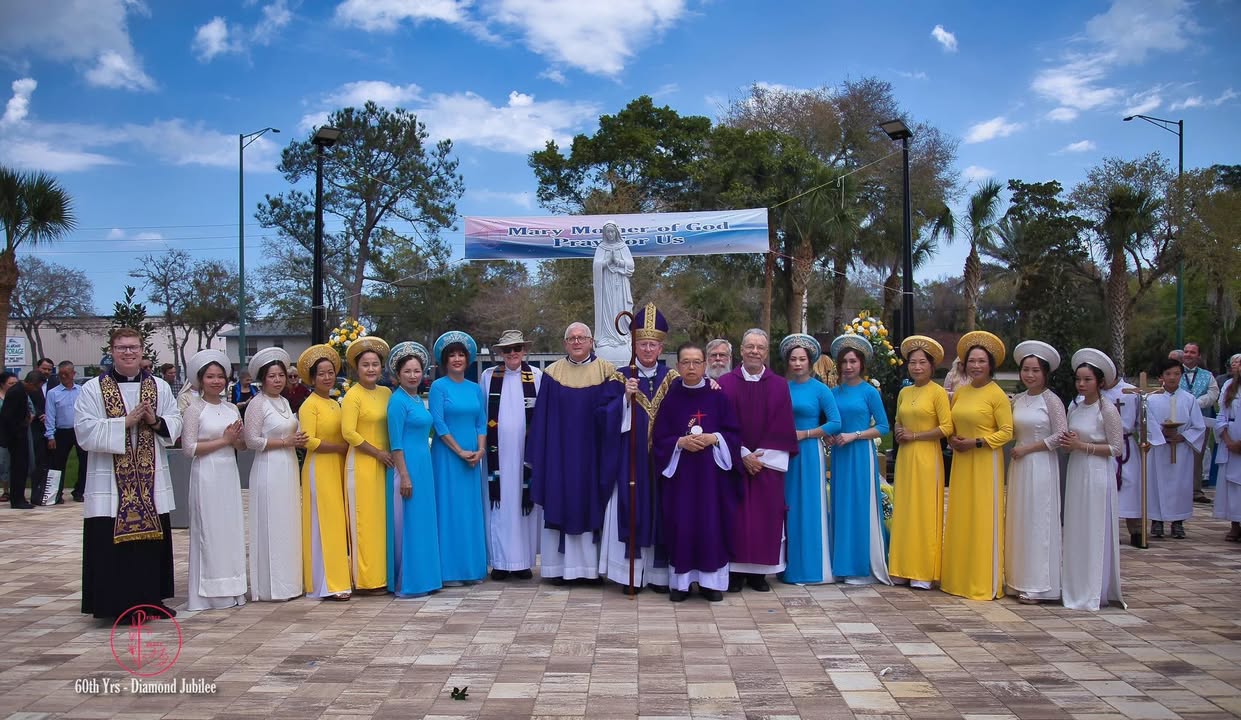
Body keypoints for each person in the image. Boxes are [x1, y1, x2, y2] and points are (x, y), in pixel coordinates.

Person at [76, 328, 182, 620]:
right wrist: (124, 422)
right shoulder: (93, 389)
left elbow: (175, 422)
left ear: (141, 350)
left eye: (133, 347)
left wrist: (154, 420)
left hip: (150, 481)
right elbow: (84, 430)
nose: (128, 352)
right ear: (112, 351)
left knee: (148, 548)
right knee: (111, 547)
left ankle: (150, 601)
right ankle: (114, 605)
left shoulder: (159, 387)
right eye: (122, 347)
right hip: (110, 483)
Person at [526, 322, 622, 585]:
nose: (577, 342)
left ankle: (590, 570)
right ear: (565, 343)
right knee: (559, 499)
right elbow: (542, 418)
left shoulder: (607, 371)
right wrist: (539, 454)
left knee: (592, 503)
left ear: (591, 342)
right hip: (559, 455)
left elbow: (615, 411)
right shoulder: (553, 373)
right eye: (572, 338)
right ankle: (558, 569)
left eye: (582, 337)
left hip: (593, 453)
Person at [651, 342, 742, 602]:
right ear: (678, 366)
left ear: (704, 365)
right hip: (681, 479)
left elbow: (734, 435)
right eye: (686, 362)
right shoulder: (670, 399)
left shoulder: (718, 397)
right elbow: (659, 439)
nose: (691, 367)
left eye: (696, 362)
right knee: (682, 524)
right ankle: (681, 584)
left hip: (712, 479)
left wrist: (715, 438)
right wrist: (679, 442)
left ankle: (710, 584)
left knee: (710, 524)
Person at [599, 304, 679, 593]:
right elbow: (602, 416)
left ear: (661, 348)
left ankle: (658, 576)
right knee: (630, 508)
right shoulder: (620, 377)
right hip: (629, 459)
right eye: (642, 344)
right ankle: (629, 576)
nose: (647, 349)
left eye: (652, 345)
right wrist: (624, 398)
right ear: (634, 346)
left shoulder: (673, 379)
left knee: (662, 511)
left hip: (663, 459)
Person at [717, 328, 798, 593]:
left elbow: (782, 425)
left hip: (767, 465)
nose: (754, 351)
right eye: (750, 346)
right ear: (741, 350)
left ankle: (759, 574)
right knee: (735, 517)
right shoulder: (725, 383)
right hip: (734, 463)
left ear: (766, 352)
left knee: (766, 517)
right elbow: (721, 423)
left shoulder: (779, 385)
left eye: (760, 347)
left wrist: (759, 458)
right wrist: (741, 454)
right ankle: (735, 572)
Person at [941, 331, 1013, 601]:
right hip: (961, 461)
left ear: (990, 365)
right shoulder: (960, 393)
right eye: (972, 361)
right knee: (961, 516)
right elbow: (951, 424)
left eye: (982, 361)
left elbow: (1007, 432)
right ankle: (958, 579)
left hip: (985, 461)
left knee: (982, 518)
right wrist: (952, 439)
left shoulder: (997, 395)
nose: (976, 366)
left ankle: (983, 580)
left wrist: (978, 442)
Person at [181, 349, 247, 612]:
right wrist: (224, 440)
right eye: (210, 376)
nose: (216, 381)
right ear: (200, 380)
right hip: (206, 474)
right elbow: (189, 448)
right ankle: (207, 594)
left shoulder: (231, 408)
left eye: (220, 376)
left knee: (229, 529)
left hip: (228, 472)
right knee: (209, 530)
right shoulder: (194, 410)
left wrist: (239, 439)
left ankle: (232, 589)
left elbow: (241, 445)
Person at [1060, 349, 1126, 611]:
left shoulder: (1106, 410)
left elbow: (1116, 448)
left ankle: (1093, 588)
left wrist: (1083, 446)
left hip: (1097, 471)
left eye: (1087, 379)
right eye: (1078, 379)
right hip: (1076, 469)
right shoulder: (1075, 407)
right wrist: (1070, 443)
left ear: (1100, 382)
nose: (1081, 384)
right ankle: (1074, 585)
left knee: (1093, 526)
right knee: (1076, 526)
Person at [827, 334, 892, 586]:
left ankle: (862, 566)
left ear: (861, 364)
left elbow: (883, 427)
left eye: (853, 361)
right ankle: (842, 565)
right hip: (840, 454)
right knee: (841, 506)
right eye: (844, 362)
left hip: (861, 454)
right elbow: (830, 423)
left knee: (861, 505)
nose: (848, 366)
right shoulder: (833, 393)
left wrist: (854, 435)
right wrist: (829, 436)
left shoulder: (869, 392)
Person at [1006, 341, 1067, 605]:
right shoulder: (1018, 400)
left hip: (1040, 463)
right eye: (1025, 370)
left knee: (1038, 519)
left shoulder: (1052, 400)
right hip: (1019, 465)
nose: (1029, 375)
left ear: (1045, 373)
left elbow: (1061, 435)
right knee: (1019, 519)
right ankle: (1016, 579)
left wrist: (1029, 448)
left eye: (1035, 370)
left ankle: (1039, 584)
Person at [890, 336, 953, 591]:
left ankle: (923, 571)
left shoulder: (938, 393)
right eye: (913, 363)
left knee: (924, 511)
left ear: (932, 365)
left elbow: (947, 427)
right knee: (904, 509)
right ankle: (901, 567)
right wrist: (898, 430)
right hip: (906, 457)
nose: (917, 367)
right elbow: (898, 419)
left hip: (927, 456)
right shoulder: (904, 392)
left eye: (922, 363)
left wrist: (915, 435)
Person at [244, 348, 307, 602]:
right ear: (263, 378)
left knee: (288, 521)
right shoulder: (257, 404)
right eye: (272, 376)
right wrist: (284, 442)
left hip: (288, 466)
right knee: (272, 521)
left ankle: (290, 583)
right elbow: (251, 440)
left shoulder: (283, 402)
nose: (278, 380)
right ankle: (272, 586)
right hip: (269, 468)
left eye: (281, 375)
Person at [480, 330, 543, 582]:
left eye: (517, 348)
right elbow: (481, 414)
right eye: (507, 350)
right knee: (500, 507)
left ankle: (522, 563)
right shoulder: (488, 377)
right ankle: (500, 563)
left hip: (525, 454)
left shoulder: (536, 376)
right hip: (497, 454)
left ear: (524, 350)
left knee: (523, 506)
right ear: (500, 353)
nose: (513, 353)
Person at [780, 334, 841, 585]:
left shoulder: (820, 390)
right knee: (789, 505)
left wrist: (805, 434)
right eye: (793, 359)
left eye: (802, 359)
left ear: (810, 361)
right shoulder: (782, 387)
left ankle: (814, 568)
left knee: (810, 504)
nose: (797, 363)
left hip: (810, 452)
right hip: (786, 453)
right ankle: (789, 567)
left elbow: (835, 423)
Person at [429, 331, 489, 585]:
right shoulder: (438, 387)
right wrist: (459, 451)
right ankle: (449, 571)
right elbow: (438, 423)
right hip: (447, 457)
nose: (456, 359)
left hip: (472, 459)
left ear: (468, 359)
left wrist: (480, 450)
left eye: (461, 355)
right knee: (449, 508)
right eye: (452, 355)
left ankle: (471, 569)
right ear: (445, 360)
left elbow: (481, 422)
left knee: (469, 510)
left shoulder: (475, 389)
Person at [386, 341, 443, 597]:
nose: (413, 375)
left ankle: (426, 578)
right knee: (410, 524)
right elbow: (396, 443)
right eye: (407, 371)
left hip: (424, 465)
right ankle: (410, 581)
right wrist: (404, 475)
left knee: (424, 522)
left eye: (417, 371)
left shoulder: (418, 400)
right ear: (397, 374)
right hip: (407, 467)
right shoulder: (397, 402)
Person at [297, 345, 353, 601]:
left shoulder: (335, 404)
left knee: (337, 523)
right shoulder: (309, 406)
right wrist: (339, 448)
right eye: (321, 374)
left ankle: (340, 577)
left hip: (337, 466)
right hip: (319, 467)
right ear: (312, 378)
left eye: (331, 372)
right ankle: (326, 583)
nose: (327, 377)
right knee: (323, 523)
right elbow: (308, 441)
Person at [341, 336, 393, 593]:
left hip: (385, 464)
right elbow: (349, 433)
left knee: (382, 521)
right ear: (356, 368)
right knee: (363, 521)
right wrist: (376, 453)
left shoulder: (386, 393)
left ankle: (383, 575)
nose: (371, 369)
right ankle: (364, 580)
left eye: (375, 364)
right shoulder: (353, 395)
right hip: (362, 464)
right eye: (365, 365)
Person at [1145, 357, 1206, 539]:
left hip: (1181, 450)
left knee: (1180, 484)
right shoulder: (1152, 399)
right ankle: (1157, 520)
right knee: (1156, 483)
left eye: (1177, 374)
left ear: (1181, 375)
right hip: (1159, 448)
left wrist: (1182, 436)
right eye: (1168, 374)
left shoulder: (1189, 399)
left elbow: (1198, 425)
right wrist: (1160, 434)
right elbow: (1147, 422)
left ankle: (1178, 521)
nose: (1172, 377)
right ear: (1161, 376)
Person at [1101, 372, 1143, 547]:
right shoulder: (1093, 393)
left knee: (1132, 485)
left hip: (1127, 444)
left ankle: (1137, 530)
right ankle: (1110, 531)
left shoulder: (1132, 392)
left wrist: (1146, 438)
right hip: (1103, 445)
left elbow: (1143, 421)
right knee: (1107, 487)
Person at [1180, 342, 1218, 504]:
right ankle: (1178, 489)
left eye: (1192, 352)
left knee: (1197, 455)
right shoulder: (1174, 372)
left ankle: (1195, 490)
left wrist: (1197, 402)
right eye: (1186, 351)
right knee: (1178, 454)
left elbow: (1213, 393)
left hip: (1200, 420)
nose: (1188, 354)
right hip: (1179, 421)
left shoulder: (1207, 375)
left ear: (1199, 356)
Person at [44, 361, 84, 503]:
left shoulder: (81, 391)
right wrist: (50, 435)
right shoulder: (53, 393)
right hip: (61, 431)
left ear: (73, 374)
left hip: (79, 430)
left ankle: (79, 491)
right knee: (58, 464)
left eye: (66, 374)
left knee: (84, 462)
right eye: (61, 374)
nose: (63, 377)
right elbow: (50, 415)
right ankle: (56, 493)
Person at [592, 222, 635, 354]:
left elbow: (631, 265)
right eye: (608, 232)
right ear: (604, 234)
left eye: (612, 232)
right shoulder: (601, 247)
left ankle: (623, 335)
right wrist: (607, 262)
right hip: (606, 285)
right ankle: (607, 336)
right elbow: (596, 266)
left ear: (616, 232)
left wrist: (618, 261)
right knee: (608, 308)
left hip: (620, 284)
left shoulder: (623, 246)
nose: (610, 234)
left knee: (620, 308)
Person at [1214, 353, 1241, 541]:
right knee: (1231, 484)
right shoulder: (1229, 386)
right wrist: (1228, 440)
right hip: (1230, 438)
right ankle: (1235, 524)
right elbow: (1221, 415)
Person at [0, 371, 33, 509]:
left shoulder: (20, 392)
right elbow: (8, 417)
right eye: (10, 383)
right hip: (14, 437)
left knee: (21, 467)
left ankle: (19, 497)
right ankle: (15, 498)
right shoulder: (16, 393)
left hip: (20, 435)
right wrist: (19, 427)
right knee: (15, 467)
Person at [24, 370, 50, 504]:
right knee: (34, 462)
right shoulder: (24, 391)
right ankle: (34, 493)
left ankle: (42, 492)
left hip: (47, 430)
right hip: (33, 429)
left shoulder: (52, 384)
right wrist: (39, 415)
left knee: (44, 462)